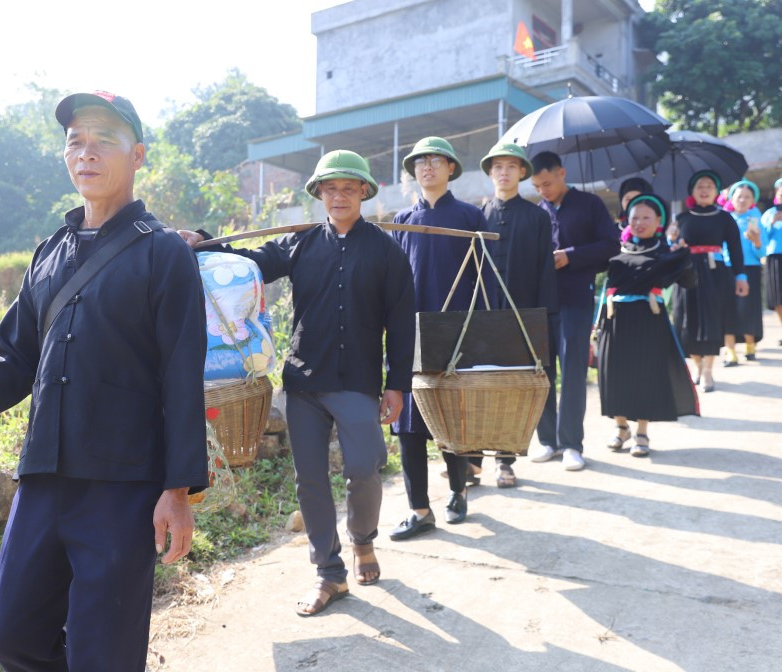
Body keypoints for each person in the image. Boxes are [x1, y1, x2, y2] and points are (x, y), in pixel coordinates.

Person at [0, 90, 209, 671]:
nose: (86, 153)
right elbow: (15, 359)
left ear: (137, 155)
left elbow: (180, 377)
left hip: (123, 486)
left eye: (104, 141)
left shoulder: (164, 254)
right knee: (13, 637)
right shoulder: (49, 252)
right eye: (75, 142)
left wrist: (178, 489)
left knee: (104, 653)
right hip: (43, 480)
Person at [179, 150, 415, 616]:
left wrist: (397, 384)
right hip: (305, 379)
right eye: (331, 188)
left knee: (365, 467)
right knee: (310, 481)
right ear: (320, 194)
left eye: (349, 187)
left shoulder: (386, 251)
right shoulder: (301, 243)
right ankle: (329, 572)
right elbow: (249, 265)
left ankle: (363, 541)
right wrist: (203, 243)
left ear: (364, 192)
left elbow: (403, 322)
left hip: (358, 382)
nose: (340, 195)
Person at [387, 137, 485, 541]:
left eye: (435, 160)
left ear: (450, 168)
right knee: (409, 422)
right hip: (410, 332)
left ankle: (458, 493)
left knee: (451, 418)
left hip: (456, 331)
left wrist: (480, 333)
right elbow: (391, 283)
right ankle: (419, 508)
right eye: (420, 162)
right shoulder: (402, 220)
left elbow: (484, 281)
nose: (427, 167)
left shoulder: (469, 217)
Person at [469, 142, 557, 488]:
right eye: (497, 167)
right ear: (490, 173)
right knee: (476, 387)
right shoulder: (477, 215)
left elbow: (545, 271)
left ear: (522, 172)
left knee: (511, 390)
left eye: (511, 166)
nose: (503, 172)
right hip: (481, 317)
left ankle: (505, 462)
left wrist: (541, 319)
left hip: (521, 316)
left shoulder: (537, 216)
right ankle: (471, 462)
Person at [528, 151, 619, 471]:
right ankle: (548, 440)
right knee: (542, 373)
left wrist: (571, 255)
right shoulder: (537, 212)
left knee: (574, 372)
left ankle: (571, 444)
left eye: (548, 183)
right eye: (538, 186)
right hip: (542, 303)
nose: (544, 191)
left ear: (562, 173)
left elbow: (612, 245)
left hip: (577, 299)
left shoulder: (590, 205)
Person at [599, 194, 698, 457]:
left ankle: (642, 431)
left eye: (646, 217)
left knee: (644, 373)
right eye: (634, 218)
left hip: (647, 319)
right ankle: (621, 427)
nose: (640, 222)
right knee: (613, 374)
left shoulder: (666, 251)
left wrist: (683, 258)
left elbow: (688, 282)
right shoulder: (618, 248)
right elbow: (606, 288)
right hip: (615, 318)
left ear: (659, 221)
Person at [669, 170, 749, 392]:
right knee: (688, 320)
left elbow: (735, 249)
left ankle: (708, 371)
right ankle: (697, 365)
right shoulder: (681, 218)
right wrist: (672, 240)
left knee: (713, 320)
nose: (704, 190)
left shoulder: (725, 217)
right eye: (700, 187)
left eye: (709, 186)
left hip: (716, 274)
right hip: (686, 274)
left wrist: (741, 276)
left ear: (715, 191)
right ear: (692, 192)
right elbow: (673, 250)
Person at [722, 180, 764, 364]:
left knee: (748, 308)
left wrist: (756, 241)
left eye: (747, 197)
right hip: (727, 267)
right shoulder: (724, 217)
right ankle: (730, 350)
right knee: (727, 308)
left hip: (750, 268)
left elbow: (761, 252)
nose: (743, 200)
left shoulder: (755, 218)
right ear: (732, 198)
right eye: (739, 196)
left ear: (753, 200)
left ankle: (750, 345)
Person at [759, 177, 782, 345]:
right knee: (777, 297)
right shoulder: (769, 214)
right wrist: (771, 224)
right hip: (774, 258)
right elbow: (760, 239)